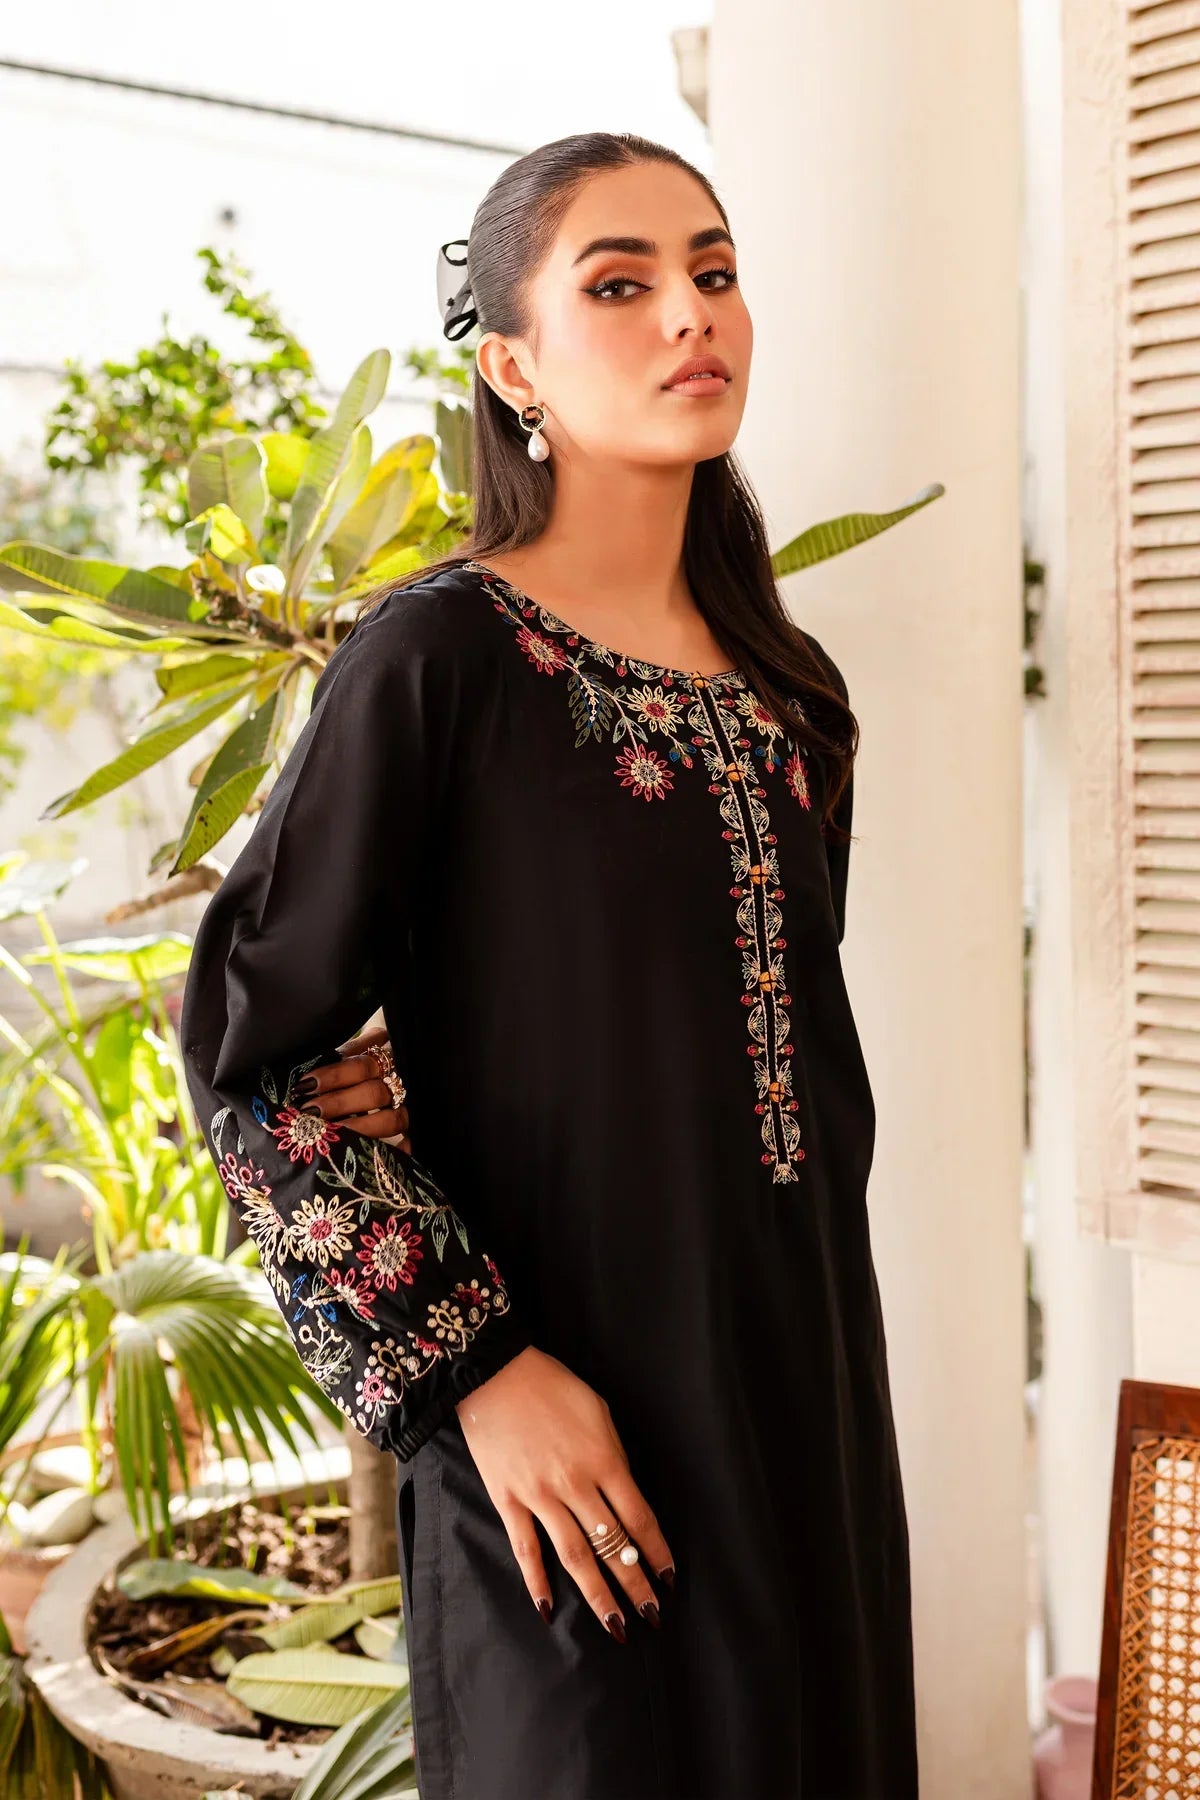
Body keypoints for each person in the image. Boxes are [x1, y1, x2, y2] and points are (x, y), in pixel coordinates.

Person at [180, 130, 918, 1800]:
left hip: (802, 1390)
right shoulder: (435, 659)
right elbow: (251, 1052)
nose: (690, 314)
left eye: (713, 272)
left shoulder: (791, 694)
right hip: (562, 1436)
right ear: (513, 367)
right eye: (621, 284)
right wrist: (477, 1370)